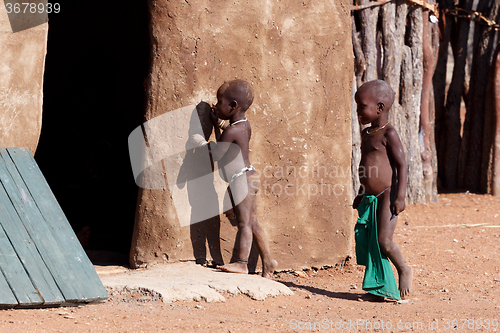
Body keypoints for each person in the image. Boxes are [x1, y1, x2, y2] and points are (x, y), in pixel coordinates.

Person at [191, 79, 278, 279]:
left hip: (241, 181)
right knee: (252, 222)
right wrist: (219, 122)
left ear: (232, 106)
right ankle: (268, 261)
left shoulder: (232, 130)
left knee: (244, 224)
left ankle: (242, 263)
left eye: (219, 101)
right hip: (249, 176)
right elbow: (228, 136)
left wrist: (201, 142)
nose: (216, 105)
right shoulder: (243, 126)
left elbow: (218, 153)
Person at [353, 79, 413, 300]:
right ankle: (378, 290)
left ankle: (404, 269)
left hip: (387, 194)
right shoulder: (366, 133)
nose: (358, 110)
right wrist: (361, 191)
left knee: (383, 242)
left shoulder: (389, 133)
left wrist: (400, 196)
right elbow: (364, 164)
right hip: (370, 196)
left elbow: (401, 165)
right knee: (370, 243)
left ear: (379, 107)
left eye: (361, 106)